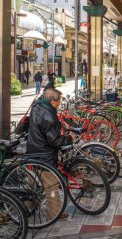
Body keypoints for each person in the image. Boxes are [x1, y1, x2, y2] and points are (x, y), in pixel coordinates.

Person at [27, 88, 73, 220]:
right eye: (59, 101)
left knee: (33, 185)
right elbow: (54, 140)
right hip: (45, 155)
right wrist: (69, 139)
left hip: (32, 150)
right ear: (53, 102)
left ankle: (27, 208)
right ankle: (54, 214)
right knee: (51, 185)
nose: (60, 103)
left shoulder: (36, 106)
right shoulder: (49, 115)